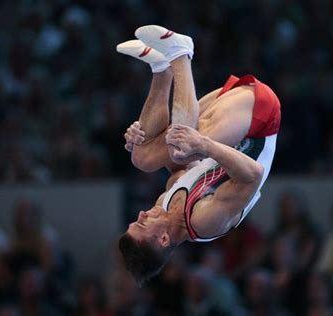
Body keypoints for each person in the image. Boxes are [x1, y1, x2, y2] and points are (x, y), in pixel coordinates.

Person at [116, 25, 281, 285]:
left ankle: (161, 70)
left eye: (135, 221)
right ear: (163, 239)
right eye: (143, 225)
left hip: (226, 120)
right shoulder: (205, 222)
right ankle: (181, 55)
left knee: (142, 158)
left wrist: (142, 139)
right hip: (258, 123)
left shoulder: (165, 203)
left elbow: (186, 163)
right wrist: (204, 145)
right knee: (181, 149)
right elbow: (253, 175)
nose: (141, 214)